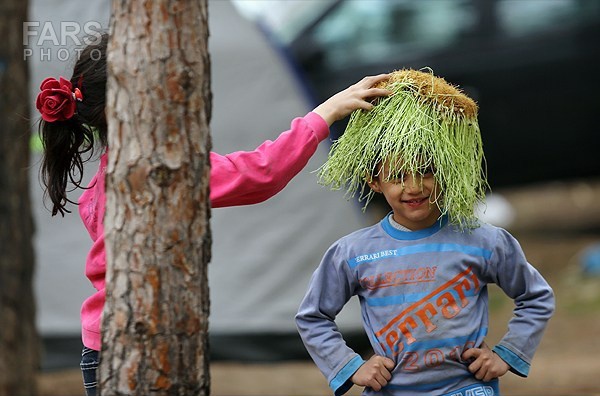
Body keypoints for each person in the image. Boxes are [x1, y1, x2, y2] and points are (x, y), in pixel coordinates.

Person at [35, 33, 391, 396]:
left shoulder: (102, 182)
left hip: (100, 346)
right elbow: (261, 173)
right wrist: (327, 112)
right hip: (139, 347)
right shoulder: (159, 173)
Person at [296, 69, 555, 396]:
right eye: (397, 175)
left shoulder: (484, 241)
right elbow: (313, 316)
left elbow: (536, 296)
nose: (414, 186)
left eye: (427, 171)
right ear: (373, 181)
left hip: (467, 389)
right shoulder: (353, 253)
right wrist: (351, 366)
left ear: (447, 169)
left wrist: (507, 353)